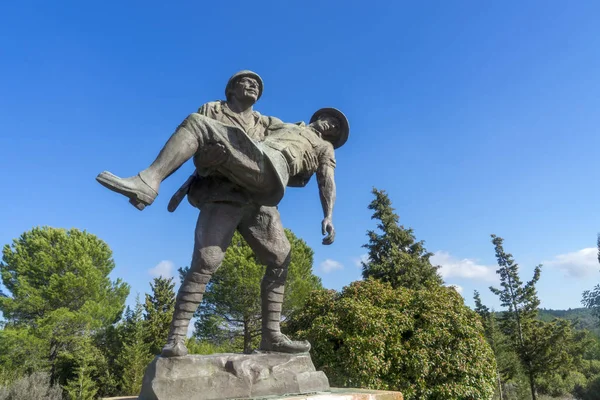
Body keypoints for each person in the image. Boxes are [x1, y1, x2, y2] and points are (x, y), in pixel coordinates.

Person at [96, 70, 348, 357]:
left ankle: (272, 336)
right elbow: (214, 141)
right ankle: (176, 338)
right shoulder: (272, 122)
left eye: (336, 127)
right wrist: (207, 149)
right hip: (226, 193)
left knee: (281, 256)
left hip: (262, 192)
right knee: (206, 260)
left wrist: (328, 214)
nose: (331, 124)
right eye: (330, 118)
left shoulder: (307, 140)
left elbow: (326, 179)